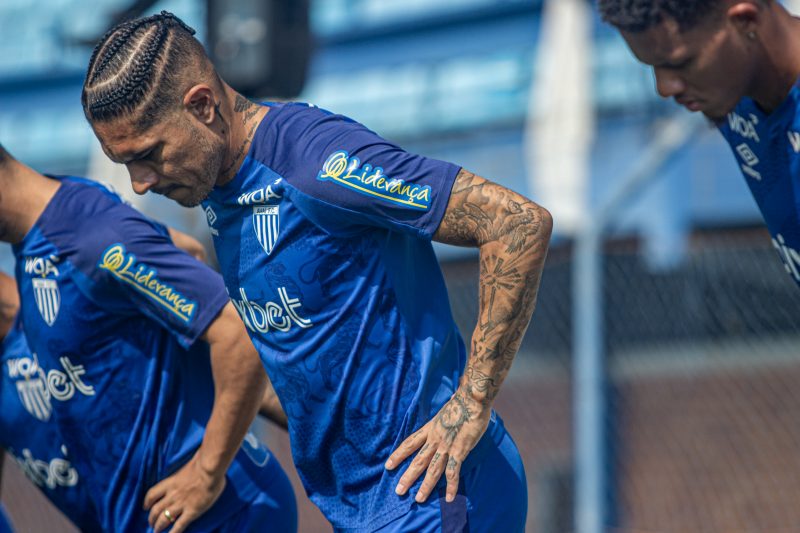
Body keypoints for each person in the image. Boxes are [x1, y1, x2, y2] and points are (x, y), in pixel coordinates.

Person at [82, 12, 553, 532]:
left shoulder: (316, 160)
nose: (141, 183)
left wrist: (473, 402)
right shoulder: (220, 186)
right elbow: (313, 374)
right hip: (367, 508)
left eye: (147, 156)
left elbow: (515, 224)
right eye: (124, 164)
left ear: (201, 105)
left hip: (434, 494)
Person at [0, 147, 297, 533]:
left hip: (221, 515)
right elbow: (182, 253)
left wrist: (207, 471)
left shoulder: (82, 232)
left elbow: (233, 330)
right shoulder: (43, 233)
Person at [597, 0, 800, 285]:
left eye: (681, 63)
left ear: (745, 21)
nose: (665, 88)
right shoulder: (735, 96)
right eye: (653, 67)